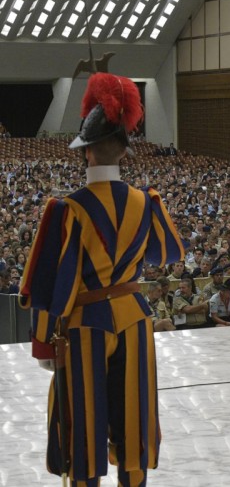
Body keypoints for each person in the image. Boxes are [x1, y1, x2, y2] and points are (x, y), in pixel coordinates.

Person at [19, 73, 185, 486]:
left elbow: (51, 283)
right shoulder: (146, 202)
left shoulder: (67, 209)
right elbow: (168, 252)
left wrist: (44, 342)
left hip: (84, 324)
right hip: (134, 318)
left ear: (86, 152)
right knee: (134, 419)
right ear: (124, 152)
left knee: (84, 425)